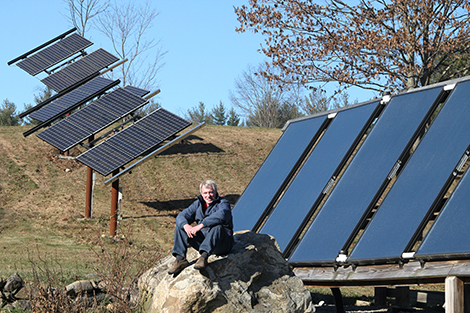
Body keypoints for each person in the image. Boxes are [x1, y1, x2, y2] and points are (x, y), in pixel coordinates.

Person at [168, 180, 234, 274]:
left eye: (211, 192)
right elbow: (181, 216)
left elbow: (221, 215)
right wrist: (186, 225)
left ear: (215, 191)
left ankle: (203, 257)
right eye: (205, 193)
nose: (208, 195)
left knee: (218, 227)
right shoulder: (198, 204)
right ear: (201, 193)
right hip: (203, 241)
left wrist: (201, 225)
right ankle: (180, 259)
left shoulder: (223, 204)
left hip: (221, 244)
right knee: (180, 226)